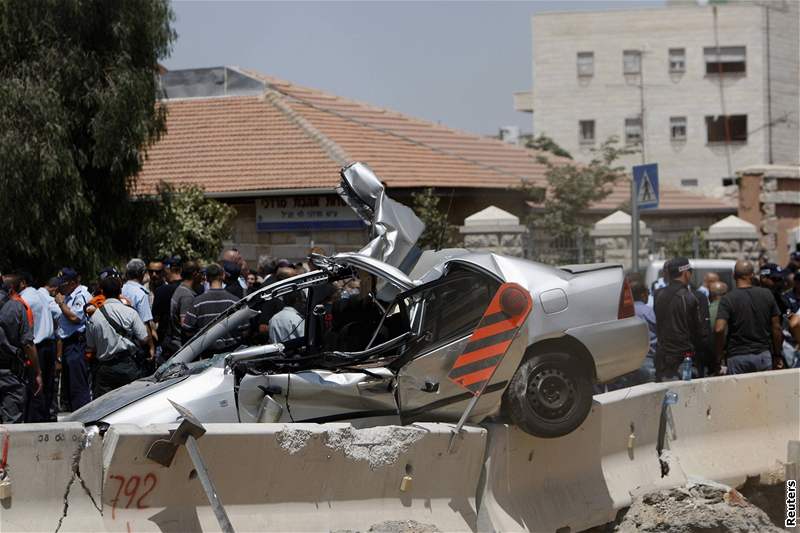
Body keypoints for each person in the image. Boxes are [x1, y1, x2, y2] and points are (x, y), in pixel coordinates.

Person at [714, 260, 782, 375]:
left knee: (738, 393)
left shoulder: (727, 299)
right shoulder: (767, 294)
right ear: (752, 275)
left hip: (737, 357)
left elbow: (719, 329)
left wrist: (718, 357)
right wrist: (777, 354)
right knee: (764, 392)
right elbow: (776, 328)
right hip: (763, 356)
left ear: (734, 275)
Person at [85, 277, 150, 398]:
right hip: (128, 366)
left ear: (102, 292)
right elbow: (144, 338)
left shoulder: (94, 317)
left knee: (105, 408)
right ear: (120, 292)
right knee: (132, 403)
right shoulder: (130, 312)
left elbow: (91, 345)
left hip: (105, 370)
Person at [0, 272, 42, 423]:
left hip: (10, 372)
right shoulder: (17, 307)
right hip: (10, 373)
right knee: (12, 425)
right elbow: (27, 344)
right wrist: (37, 371)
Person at [17, 272, 59, 422]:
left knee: (35, 386)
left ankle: (35, 422)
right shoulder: (40, 294)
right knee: (47, 387)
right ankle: (46, 418)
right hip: (49, 345)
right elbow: (58, 313)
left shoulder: (24, 298)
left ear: (22, 282)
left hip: (36, 347)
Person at [653, 257, 703, 381]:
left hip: (662, 360)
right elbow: (698, 331)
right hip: (683, 361)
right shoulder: (689, 297)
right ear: (686, 273)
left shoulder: (658, 294)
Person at [183, 263, 244, 355]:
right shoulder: (234, 301)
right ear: (223, 276)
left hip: (206, 355)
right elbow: (244, 328)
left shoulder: (197, 302)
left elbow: (187, 330)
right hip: (230, 354)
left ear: (206, 278)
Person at [54, 267, 92, 410]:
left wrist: (61, 304)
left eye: (63, 283)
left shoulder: (80, 294)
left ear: (71, 283)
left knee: (78, 385)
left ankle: (82, 415)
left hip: (77, 343)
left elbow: (76, 318)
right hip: (68, 344)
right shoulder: (70, 295)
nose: (60, 286)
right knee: (70, 384)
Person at [164, 261, 202, 357]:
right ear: (195, 274)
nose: (203, 277)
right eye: (201, 273)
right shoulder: (187, 296)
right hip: (183, 348)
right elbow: (185, 325)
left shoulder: (181, 289)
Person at [122, 259, 156, 360]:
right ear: (142, 273)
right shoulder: (140, 294)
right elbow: (145, 323)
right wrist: (151, 346)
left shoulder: (121, 289)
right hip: (137, 344)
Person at [151, 256, 182, 358]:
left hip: (168, 344)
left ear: (168, 270)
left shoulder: (161, 291)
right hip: (189, 342)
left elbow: (154, 318)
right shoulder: (195, 288)